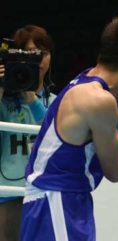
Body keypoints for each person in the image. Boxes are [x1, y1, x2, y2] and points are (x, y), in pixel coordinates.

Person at [20, 12, 118, 241]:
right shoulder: (97, 100)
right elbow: (116, 169)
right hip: (56, 203)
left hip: (66, 201)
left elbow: (116, 134)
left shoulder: (89, 83)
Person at [0, 25, 55, 241]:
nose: (39, 59)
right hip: (9, 194)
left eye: (44, 52)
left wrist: (32, 101)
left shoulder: (58, 103)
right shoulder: (4, 103)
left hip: (44, 195)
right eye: (31, 53)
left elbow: (55, 135)